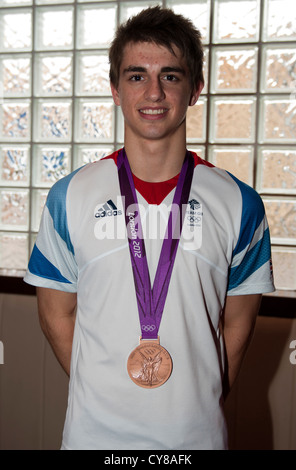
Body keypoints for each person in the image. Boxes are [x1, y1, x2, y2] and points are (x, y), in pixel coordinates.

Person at [24, 6, 275, 450]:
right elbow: (55, 315)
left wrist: (194, 398)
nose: (153, 92)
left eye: (171, 76)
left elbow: (238, 326)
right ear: (116, 90)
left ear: (196, 89)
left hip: (196, 441)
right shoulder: (69, 196)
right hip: (93, 440)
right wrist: (103, 391)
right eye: (136, 76)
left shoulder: (240, 204)